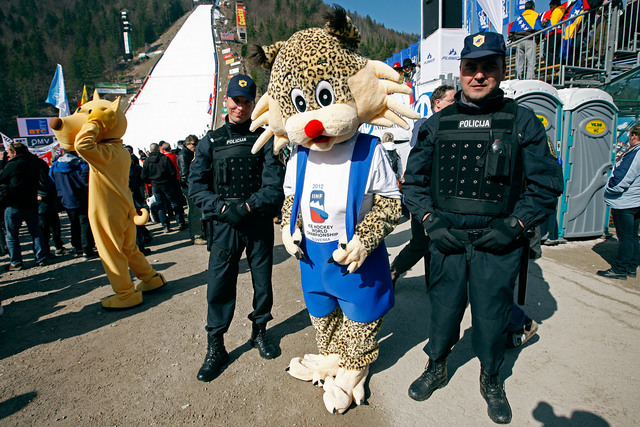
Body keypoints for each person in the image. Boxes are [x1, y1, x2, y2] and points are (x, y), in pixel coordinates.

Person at [402, 32, 564, 424]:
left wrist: (516, 225)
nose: (478, 76)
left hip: (498, 244)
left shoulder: (521, 120)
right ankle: (437, 364)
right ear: (460, 71)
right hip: (447, 242)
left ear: (502, 69)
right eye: (471, 67)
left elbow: (546, 184)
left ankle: (491, 377)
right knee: (443, 313)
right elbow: (413, 184)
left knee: (491, 319)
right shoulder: (437, 124)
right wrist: (430, 223)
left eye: (488, 66)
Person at [189, 74, 285, 382]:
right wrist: (220, 209)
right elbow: (195, 186)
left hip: (255, 220)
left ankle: (260, 331)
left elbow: (274, 186)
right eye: (235, 101)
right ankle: (216, 345)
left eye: (246, 102)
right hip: (223, 225)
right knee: (219, 285)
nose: (240, 108)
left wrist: (246, 207)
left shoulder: (264, 138)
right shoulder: (211, 142)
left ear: (253, 103)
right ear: (226, 101)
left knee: (263, 283)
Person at [390, 85, 455, 286]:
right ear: (438, 103)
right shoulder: (425, 125)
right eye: (452, 100)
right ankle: (391, 273)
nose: (457, 104)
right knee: (421, 243)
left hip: (447, 199)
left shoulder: (455, 125)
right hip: (426, 198)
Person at [597, 123, 640, 280]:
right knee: (633, 236)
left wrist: (608, 189)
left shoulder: (635, 154)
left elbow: (622, 178)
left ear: (633, 136)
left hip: (625, 203)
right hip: (637, 202)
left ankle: (620, 269)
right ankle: (631, 267)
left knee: (626, 237)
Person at [0, 142, 49, 269]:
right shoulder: (34, 162)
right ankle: (41, 258)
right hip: (31, 203)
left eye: (9, 153)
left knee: (11, 235)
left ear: (14, 152)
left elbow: (1, 178)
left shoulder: (12, 165)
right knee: (36, 232)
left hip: (14, 205)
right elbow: (45, 171)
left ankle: (16, 262)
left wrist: (2, 162)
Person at [49, 150, 97, 260]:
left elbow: (51, 182)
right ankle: (87, 249)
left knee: (74, 223)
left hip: (66, 199)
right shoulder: (81, 164)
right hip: (82, 197)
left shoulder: (55, 166)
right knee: (84, 223)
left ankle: (78, 247)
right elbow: (87, 180)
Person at [141, 143, 187, 232]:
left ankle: (165, 225)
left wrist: (150, 181)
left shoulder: (147, 161)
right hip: (167, 184)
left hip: (155, 185)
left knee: (160, 205)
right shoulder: (164, 159)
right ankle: (180, 222)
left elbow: (143, 176)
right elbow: (172, 172)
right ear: (158, 148)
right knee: (174, 203)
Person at [177, 135, 205, 244]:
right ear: (187, 144)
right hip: (190, 187)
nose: (196, 146)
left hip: (192, 186)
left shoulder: (189, 153)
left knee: (196, 211)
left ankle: (198, 233)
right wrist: (194, 188)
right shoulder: (183, 155)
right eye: (194, 144)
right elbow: (184, 175)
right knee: (195, 211)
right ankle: (196, 235)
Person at [508, 1, 543, 80]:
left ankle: (517, 79)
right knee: (531, 62)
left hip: (519, 42)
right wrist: (536, 41)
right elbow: (538, 30)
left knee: (519, 63)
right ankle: (529, 80)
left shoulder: (519, 18)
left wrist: (515, 39)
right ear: (533, 7)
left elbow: (511, 33)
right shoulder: (535, 15)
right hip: (530, 40)